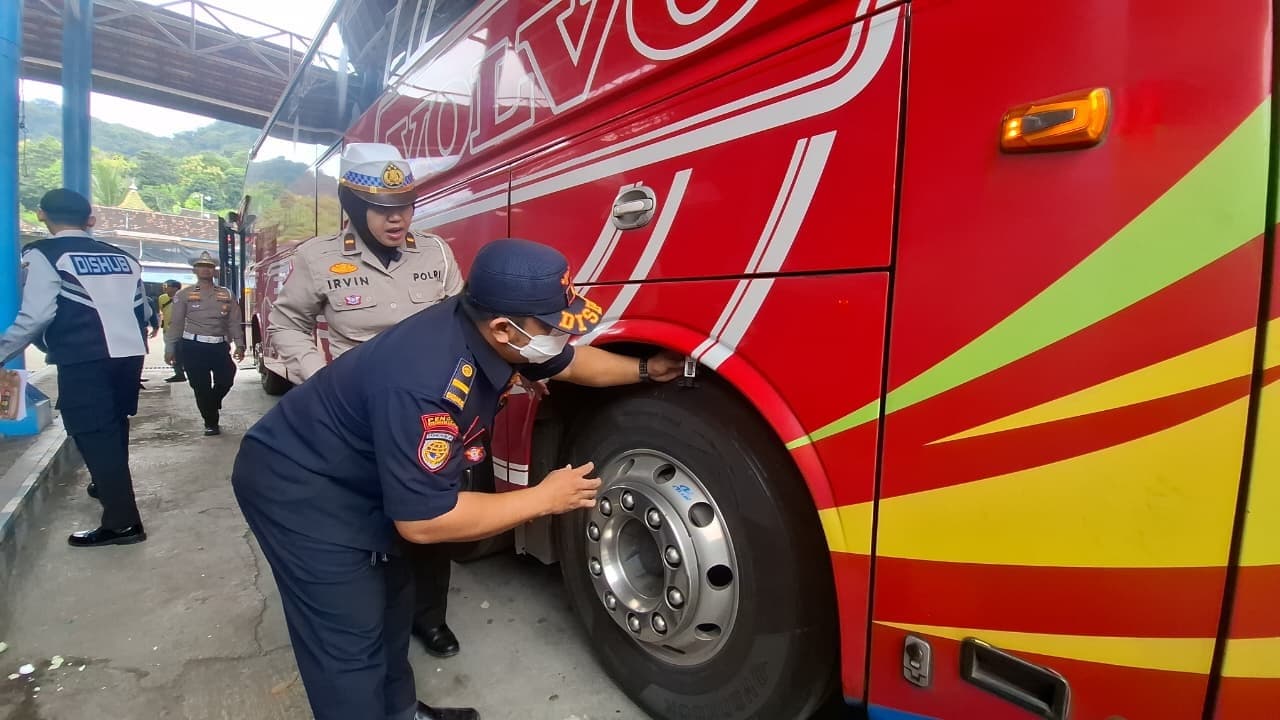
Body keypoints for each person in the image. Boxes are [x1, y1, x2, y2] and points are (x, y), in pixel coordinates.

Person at [232, 238, 683, 720]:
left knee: (391, 606)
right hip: (301, 487)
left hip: (363, 472)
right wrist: (544, 498)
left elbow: (570, 363)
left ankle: (401, 713)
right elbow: (426, 522)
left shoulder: (490, 326)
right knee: (348, 642)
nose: (559, 336)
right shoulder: (426, 381)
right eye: (551, 326)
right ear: (503, 330)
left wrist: (644, 369)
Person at [267, 143, 466, 658]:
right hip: (357, 414)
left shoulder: (436, 253)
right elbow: (285, 322)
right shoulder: (317, 258)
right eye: (382, 207)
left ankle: (430, 618)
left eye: (406, 204)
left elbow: (462, 324)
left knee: (433, 512)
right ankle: (381, 619)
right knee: (371, 518)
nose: (398, 217)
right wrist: (316, 378)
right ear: (354, 205)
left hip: (428, 413)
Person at [0, 188, 150, 547]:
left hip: (84, 357)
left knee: (92, 431)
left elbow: (36, 315)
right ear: (90, 220)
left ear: (41, 216)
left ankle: (122, 524)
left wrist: (4, 350)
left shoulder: (44, 254)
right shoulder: (122, 256)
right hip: (129, 356)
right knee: (113, 426)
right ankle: (105, 483)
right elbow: (143, 310)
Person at [165, 252, 245, 436]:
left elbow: (234, 322)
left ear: (214, 270)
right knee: (200, 386)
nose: (205, 270)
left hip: (218, 346)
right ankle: (211, 422)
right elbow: (176, 324)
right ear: (194, 270)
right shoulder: (183, 295)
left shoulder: (226, 294)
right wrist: (170, 348)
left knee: (227, 377)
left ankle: (212, 403)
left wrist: (239, 344)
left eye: (209, 267)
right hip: (193, 347)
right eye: (201, 266)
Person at [157, 280, 185, 382]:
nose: (165, 288)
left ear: (175, 288)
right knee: (171, 352)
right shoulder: (162, 298)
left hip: (183, 330)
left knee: (180, 351)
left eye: (167, 286)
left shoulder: (184, 298)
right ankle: (179, 372)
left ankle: (181, 372)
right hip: (168, 330)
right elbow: (162, 312)